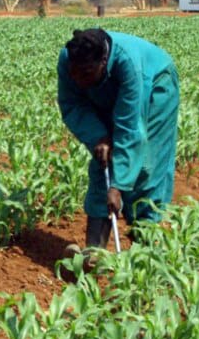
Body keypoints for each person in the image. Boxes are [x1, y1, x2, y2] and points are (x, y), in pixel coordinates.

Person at [57, 28, 180, 251]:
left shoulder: (129, 67)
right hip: (106, 89)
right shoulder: (70, 59)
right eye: (74, 73)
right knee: (102, 162)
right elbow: (71, 104)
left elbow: (130, 130)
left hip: (156, 85)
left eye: (85, 73)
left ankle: (145, 249)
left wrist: (118, 186)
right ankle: (95, 252)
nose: (77, 80)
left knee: (145, 167)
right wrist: (99, 137)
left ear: (104, 61)